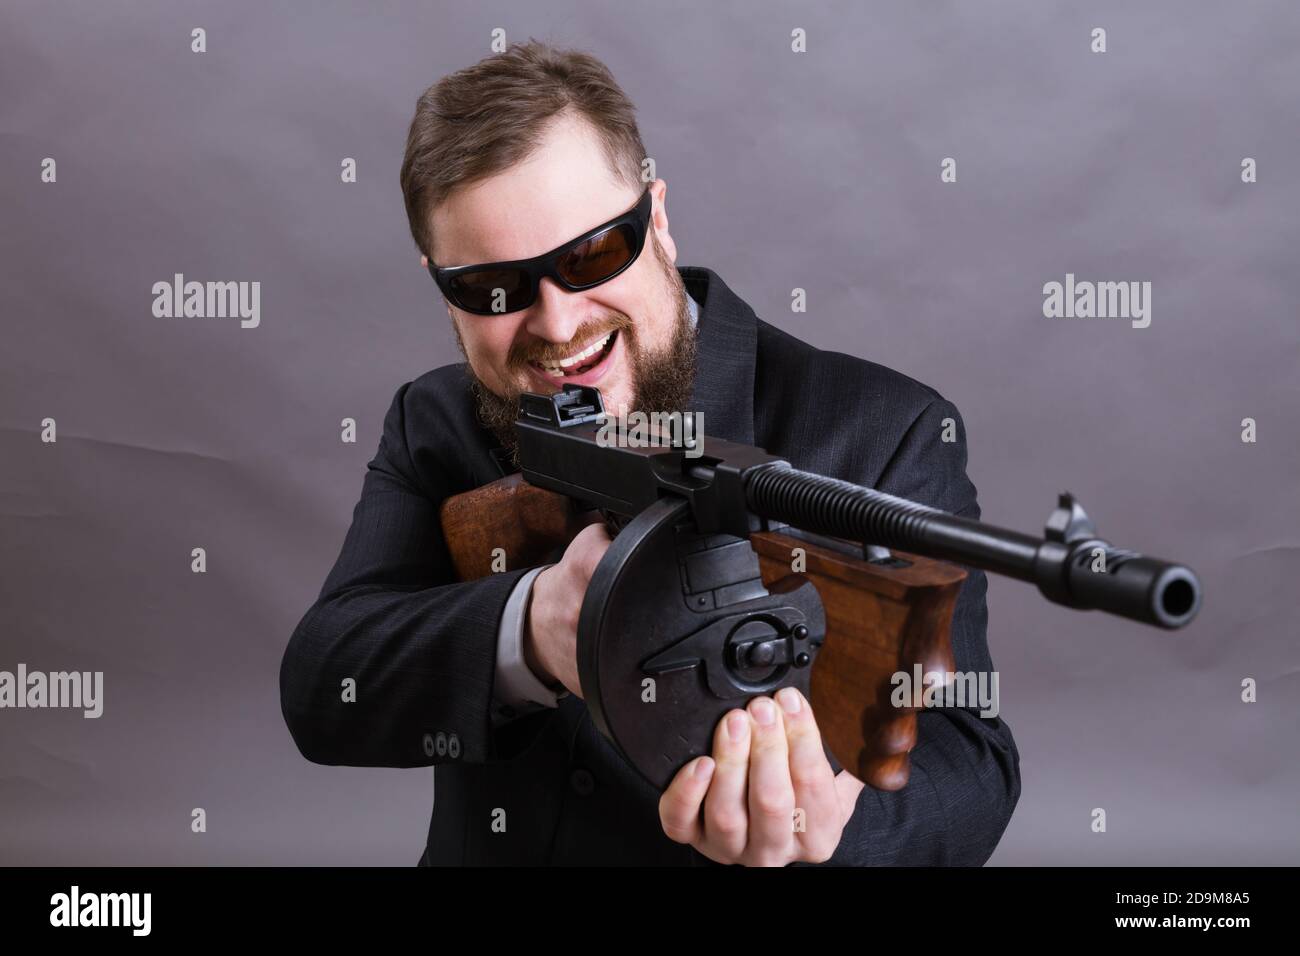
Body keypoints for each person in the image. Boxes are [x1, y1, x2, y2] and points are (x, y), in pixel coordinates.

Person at [279, 40, 1020, 866]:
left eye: (592, 253)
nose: (558, 325)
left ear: (657, 218)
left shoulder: (885, 426)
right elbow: (324, 684)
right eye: (493, 289)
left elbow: (971, 768)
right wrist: (532, 629)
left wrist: (829, 824)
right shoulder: (437, 419)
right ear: (441, 288)